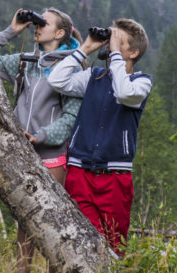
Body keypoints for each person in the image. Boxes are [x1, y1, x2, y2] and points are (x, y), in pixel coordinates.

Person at [0, 7, 82, 273]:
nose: (37, 26)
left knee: (52, 225)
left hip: (52, 156)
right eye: (36, 22)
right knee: (24, 225)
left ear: (60, 33)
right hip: (23, 155)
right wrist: (12, 31)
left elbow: (69, 121)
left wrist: (38, 136)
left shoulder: (72, 69)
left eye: (44, 23)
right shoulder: (26, 62)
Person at [48, 18, 152, 256]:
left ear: (134, 52)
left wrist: (115, 55)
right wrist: (84, 49)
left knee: (114, 247)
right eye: (111, 39)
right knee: (82, 244)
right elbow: (56, 81)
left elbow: (124, 93)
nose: (111, 45)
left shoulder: (141, 82)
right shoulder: (93, 76)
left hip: (115, 177)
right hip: (80, 172)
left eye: (119, 41)